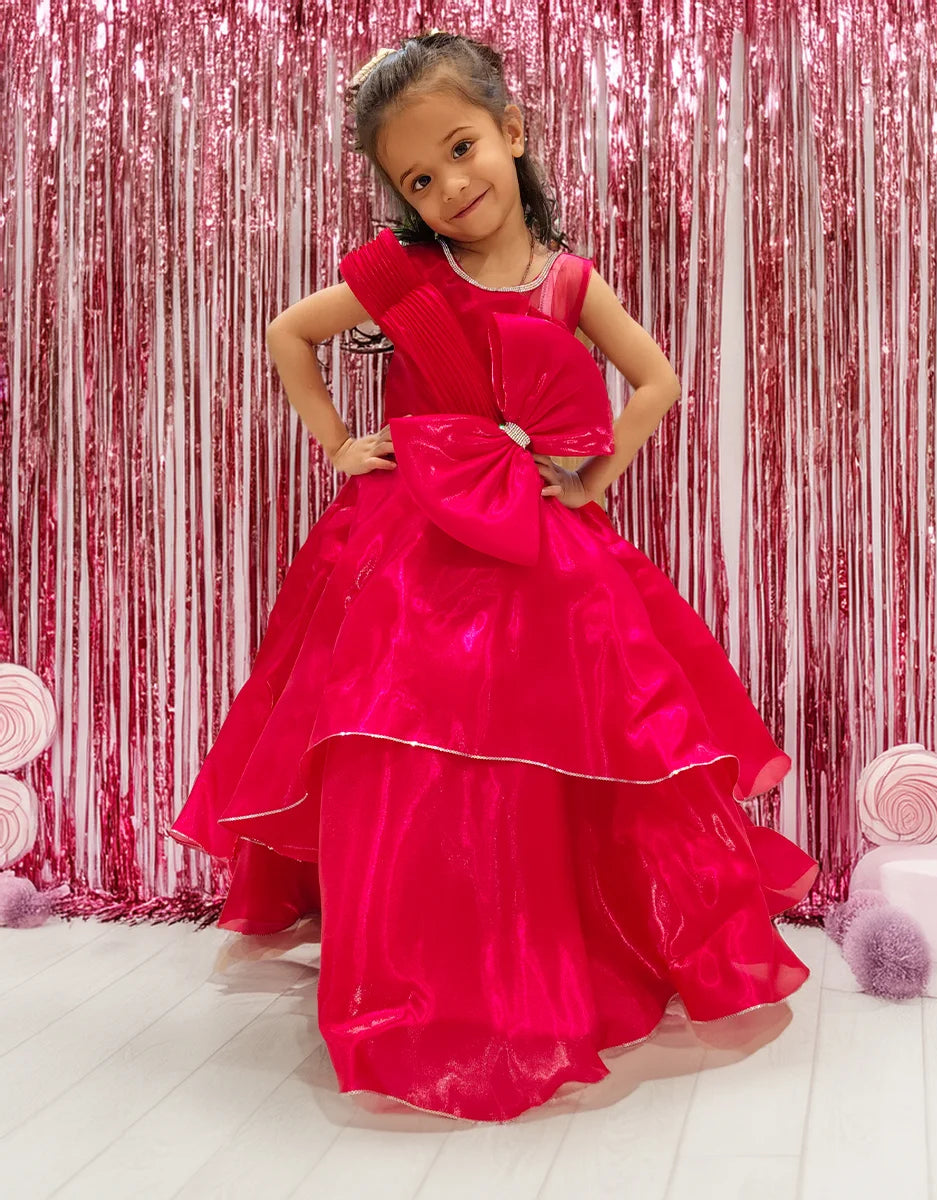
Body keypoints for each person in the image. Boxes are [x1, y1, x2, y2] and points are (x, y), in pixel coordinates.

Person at [169, 30, 819, 1123]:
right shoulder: (405, 279)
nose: (448, 187)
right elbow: (289, 334)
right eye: (417, 179)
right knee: (412, 755)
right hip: (411, 554)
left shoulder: (567, 282)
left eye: (461, 149)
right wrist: (338, 443)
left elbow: (655, 381)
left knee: (565, 743)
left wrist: (592, 475)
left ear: (512, 133)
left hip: (541, 555)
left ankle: (556, 954)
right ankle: (425, 968)